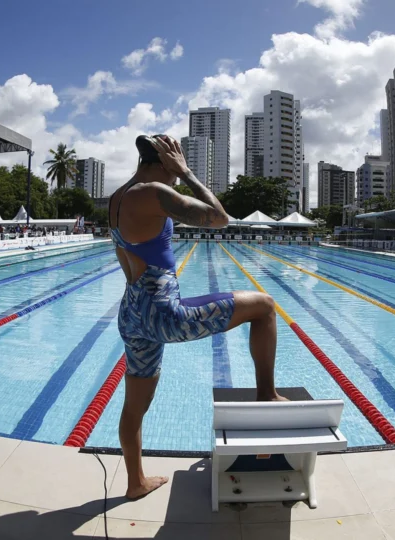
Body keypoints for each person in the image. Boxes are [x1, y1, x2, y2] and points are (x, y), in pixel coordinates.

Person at [109, 135, 285, 500]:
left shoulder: (117, 196)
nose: (174, 173)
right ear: (163, 161)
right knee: (265, 306)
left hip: (131, 313)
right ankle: (266, 394)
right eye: (173, 163)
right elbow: (220, 219)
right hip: (164, 314)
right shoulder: (153, 191)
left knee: (134, 406)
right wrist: (186, 172)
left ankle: (135, 483)